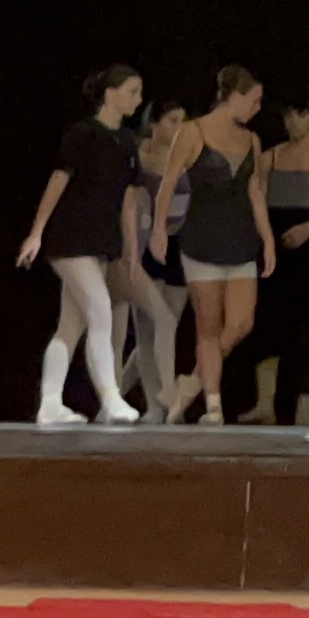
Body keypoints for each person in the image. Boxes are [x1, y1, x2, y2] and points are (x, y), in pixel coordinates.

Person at [17, 65, 148, 426]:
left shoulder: (127, 142)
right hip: (71, 238)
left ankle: (50, 403)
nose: (138, 99)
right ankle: (111, 397)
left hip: (101, 240)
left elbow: (128, 202)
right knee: (100, 310)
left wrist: (131, 249)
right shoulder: (83, 134)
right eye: (132, 91)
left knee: (70, 325)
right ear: (111, 93)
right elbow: (58, 180)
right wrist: (37, 232)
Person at [151, 65, 276, 424]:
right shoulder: (193, 132)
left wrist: (268, 240)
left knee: (241, 323)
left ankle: (191, 382)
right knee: (208, 326)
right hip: (203, 240)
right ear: (234, 96)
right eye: (254, 100)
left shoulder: (251, 140)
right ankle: (213, 404)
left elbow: (255, 193)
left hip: (241, 240)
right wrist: (159, 229)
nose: (257, 107)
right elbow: (168, 182)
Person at [240, 93, 309, 425]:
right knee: (268, 324)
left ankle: (305, 409)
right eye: (288, 115)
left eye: (300, 114)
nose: (293, 122)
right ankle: (265, 402)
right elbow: (256, 201)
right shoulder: (270, 157)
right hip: (275, 251)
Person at [114, 100, 191, 418]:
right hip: (146, 246)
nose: (179, 128)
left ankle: (118, 394)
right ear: (154, 124)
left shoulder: (185, 154)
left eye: (183, 121)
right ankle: (158, 405)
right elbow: (129, 205)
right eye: (173, 121)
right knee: (149, 330)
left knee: (166, 329)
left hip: (178, 247)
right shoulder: (140, 157)